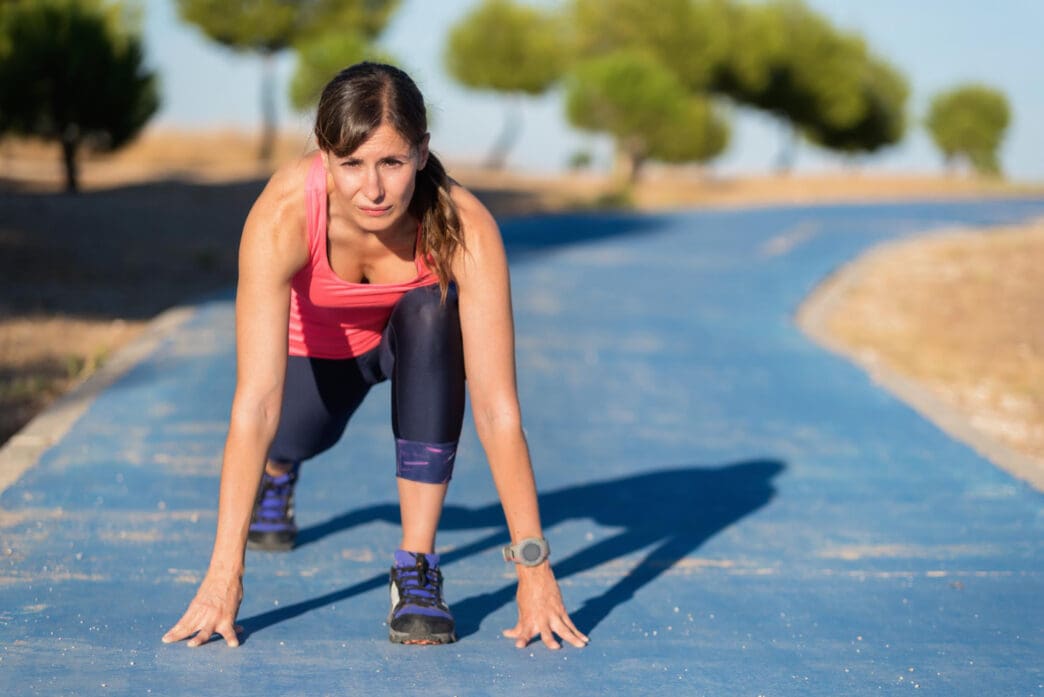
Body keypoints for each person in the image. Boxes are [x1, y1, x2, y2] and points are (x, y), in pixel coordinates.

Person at [161, 62, 588, 650]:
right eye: (352, 164)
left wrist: (534, 571)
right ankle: (280, 474)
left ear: (420, 152)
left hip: (412, 349)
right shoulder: (285, 212)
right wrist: (222, 576)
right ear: (324, 154)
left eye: (391, 161)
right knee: (291, 438)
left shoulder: (465, 227)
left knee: (431, 307)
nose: (373, 189)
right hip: (317, 360)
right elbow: (257, 400)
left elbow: (497, 410)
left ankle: (416, 567)